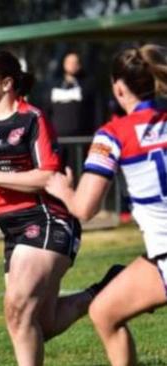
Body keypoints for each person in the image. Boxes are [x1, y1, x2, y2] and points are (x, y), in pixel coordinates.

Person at [0, 49, 121, 366]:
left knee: (18, 310)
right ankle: (104, 291)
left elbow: (48, 176)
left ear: (6, 83)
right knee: (39, 325)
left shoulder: (32, 119)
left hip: (49, 219)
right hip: (11, 229)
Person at [45, 44, 167, 366]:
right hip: (160, 258)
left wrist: (62, 189)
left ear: (118, 87)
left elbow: (84, 209)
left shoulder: (113, 134)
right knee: (103, 310)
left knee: (105, 314)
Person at [48, 51, 97, 138]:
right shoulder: (53, 85)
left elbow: (94, 110)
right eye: (69, 62)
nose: (72, 65)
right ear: (64, 64)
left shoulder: (88, 85)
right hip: (58, 137)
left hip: (81, 138)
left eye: (75, 62)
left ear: (80, 65)